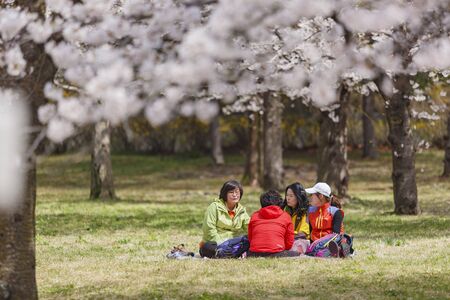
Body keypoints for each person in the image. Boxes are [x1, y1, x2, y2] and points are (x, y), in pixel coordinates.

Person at [199, 180, 250, 257]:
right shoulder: (214, 207)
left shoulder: (241, 211)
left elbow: (249, 227)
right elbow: (208, 229)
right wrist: (220, 244)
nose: (235, 195)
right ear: (225, 194)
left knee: (247, 240)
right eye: (231, 192)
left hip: (233, 243)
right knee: (208, 247)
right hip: (216, 243)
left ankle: (230, 253)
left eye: (237, 192)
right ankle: (228, 253)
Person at [247, 190, 299, 257]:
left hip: (254, 253)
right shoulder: (286, 216)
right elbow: (289, 242)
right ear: (280, 203)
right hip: (277, 252)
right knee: (298, 254)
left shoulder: (254, 216)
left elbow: (250, 237)